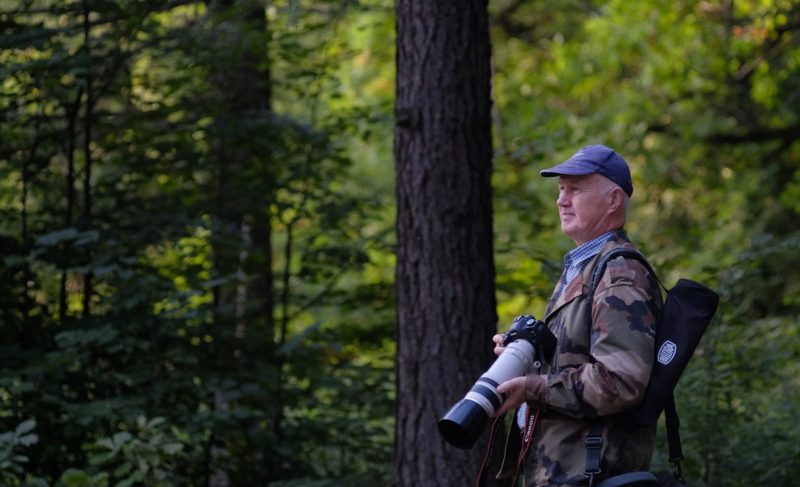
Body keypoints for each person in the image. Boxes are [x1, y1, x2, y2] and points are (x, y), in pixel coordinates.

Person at [491, 144, 663, 486]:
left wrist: (535, 387)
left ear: (613, 200)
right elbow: (576, 363)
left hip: (592, 476)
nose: (561, 200)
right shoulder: (585, 268)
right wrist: (525, 361)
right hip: (566, 474)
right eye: (560, 189)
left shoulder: (619, 273)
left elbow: (621, 381)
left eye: (575, 189)